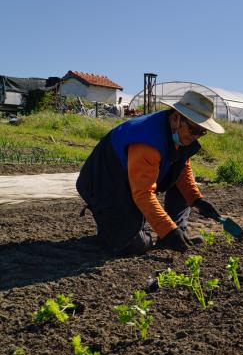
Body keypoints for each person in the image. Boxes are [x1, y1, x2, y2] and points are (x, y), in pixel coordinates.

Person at [77, 90, 226, 255]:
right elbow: (143, 193)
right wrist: (167, 230)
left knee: (179, 191)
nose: (196, 136)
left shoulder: (177, 133)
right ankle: (111, 227)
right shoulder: (148, 141)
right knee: (134, 245)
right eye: (193, 130)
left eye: (201, 132)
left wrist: (196, 200)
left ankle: (176, 233)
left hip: (133, 177)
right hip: (104, 182)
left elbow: (181, 167)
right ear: (176, 117)